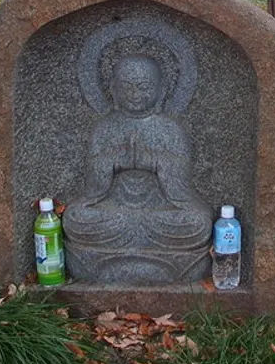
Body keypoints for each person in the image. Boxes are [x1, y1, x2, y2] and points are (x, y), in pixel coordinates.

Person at [63, 53, 211, 285]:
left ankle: (102, 263)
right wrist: (111, 162)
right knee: (75, 219)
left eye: (143, 87)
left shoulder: (171, 129)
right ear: (113, 90)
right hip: (114, 216)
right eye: (127, 87)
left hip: (161, 214)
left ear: (161, 90)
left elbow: (182, 187)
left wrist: (156, 162)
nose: (134, 94)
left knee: (198, 222)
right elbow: (92, 187)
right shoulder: (104, 128)